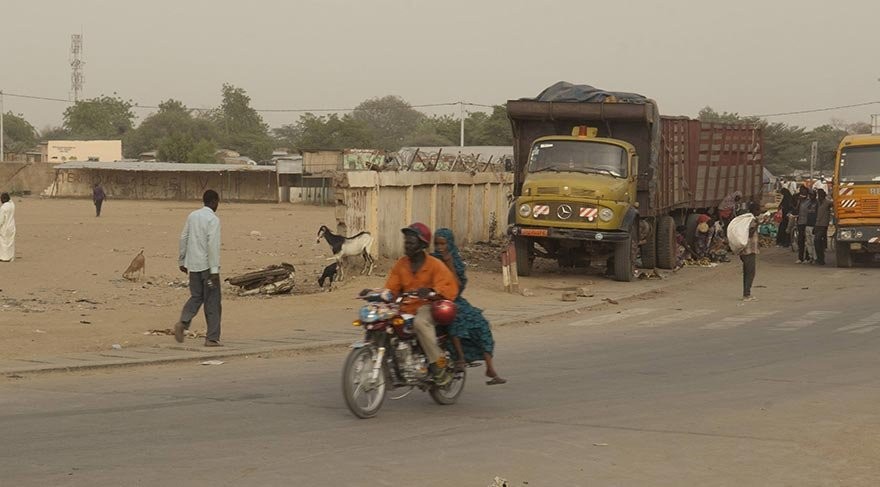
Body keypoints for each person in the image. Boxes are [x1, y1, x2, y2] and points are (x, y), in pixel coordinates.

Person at [385, 222, 459, 385]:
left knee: (420, 322)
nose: (406, 245)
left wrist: (433, 291)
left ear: (422, 245)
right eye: (405, 241)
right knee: (384, 321)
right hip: (405, 307)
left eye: (411, 242)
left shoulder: (435, 265)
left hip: (426, 306)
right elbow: (391, 287)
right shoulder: (401, 264)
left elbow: (449, 286)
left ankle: (439, 366)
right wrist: (378, 294)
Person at [432, 228, 506, 385]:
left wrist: (449, 264)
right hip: (435, 300)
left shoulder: (456, 261)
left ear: (449, 244)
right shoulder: (431, 261)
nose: (440, 247)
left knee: (480, 323)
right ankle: (459, 357)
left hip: (455, 300)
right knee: (455, 320)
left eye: (443, 244)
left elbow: (457, 287)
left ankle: (490, 368)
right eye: (437, 244)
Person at [174, 190, 223, 347]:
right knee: (213, 301)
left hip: (193, 266)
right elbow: (212, 245)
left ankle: (183, 321)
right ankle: (212, 338)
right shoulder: (213, 220)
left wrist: (182, 260)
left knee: (196, 297)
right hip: (208, 268)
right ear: (214, 201)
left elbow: (183, 238)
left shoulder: (192, 216)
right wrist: (214, 271)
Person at [738, 202, 761, 302]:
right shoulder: (752, 220)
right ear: (755, 210)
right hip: (749, 250)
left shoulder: (747, 219)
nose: (760, 211)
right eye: (758, 210)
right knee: (750, 272)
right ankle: (746, 294)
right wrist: (757, 224)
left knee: (747, 272)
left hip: (745, 250)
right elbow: (750, 234)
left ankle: (746, 292)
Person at [814, 188, 832, 265]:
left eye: (821, 194)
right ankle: (820, 258)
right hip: (816, 224)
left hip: (823, 225)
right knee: (817, 242)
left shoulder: (828, 203)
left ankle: (821, 258)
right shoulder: (817, 202)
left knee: (817, 240)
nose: (819, 196)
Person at [795, 186, 812, 264]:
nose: (802, 192)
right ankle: (800, 258)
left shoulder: (810, 201)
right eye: (801, 191)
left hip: (808, 223)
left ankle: (808, 257)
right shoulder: (799, 201)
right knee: (801, 240)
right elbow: (797, 210)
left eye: (803, 191)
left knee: (808, 241)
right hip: (800, 222)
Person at [0, 193, 15, 262]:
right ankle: (11, 256)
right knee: (10, 242)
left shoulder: (3, 208)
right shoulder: (12, 205)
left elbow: (1, 220)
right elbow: (11, 201)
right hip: (11, 226)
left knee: (3, 242)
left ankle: (5, 257)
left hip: (5, 227)